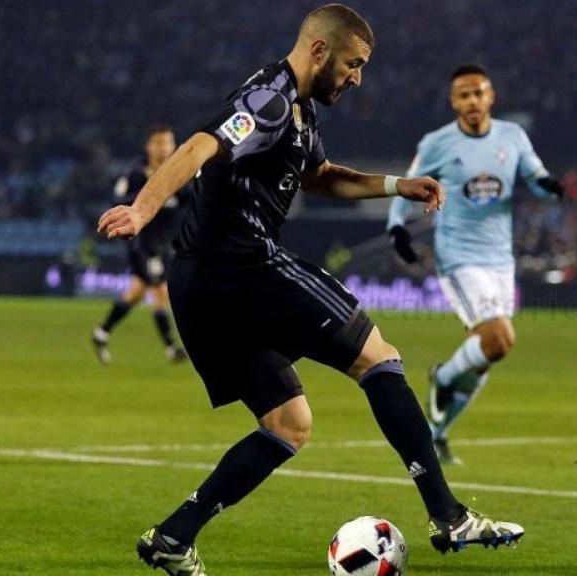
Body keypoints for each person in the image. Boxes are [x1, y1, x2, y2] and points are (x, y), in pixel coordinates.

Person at [97, 6, 523, 575]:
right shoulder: (270, 99)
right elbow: (200, 146)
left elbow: (321, 177)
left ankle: (174, 538)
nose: (357, 78)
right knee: (380, 358)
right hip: (242, 266)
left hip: (197, 284)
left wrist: (399, 185)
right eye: (354, 64)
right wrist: (144, 208)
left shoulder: (296, 110)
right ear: (320, 51)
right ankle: (449, 516)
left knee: (288, 423)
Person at [386, 63, 563, 464]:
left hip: (501, 259)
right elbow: (407, 185)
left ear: (491, 97)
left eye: (478, 93)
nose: (472, 101)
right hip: (459, 258)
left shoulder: (512, 136)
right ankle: (443, 376)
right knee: (499, 338)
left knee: (487, 355)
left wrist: (548, 186)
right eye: (464, 95)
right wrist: (397, 226)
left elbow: (535, 174)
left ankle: (438, 432)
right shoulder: (437, 143)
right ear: (453, 102)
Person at [91, 125, 188, 364]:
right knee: (160, 291)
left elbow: (191, 199)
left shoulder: (178, 171)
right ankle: (171, 348)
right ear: (149, 146)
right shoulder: (135, 172)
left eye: (168, 142)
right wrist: (143, 199)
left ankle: (102, 332)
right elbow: (117, 199)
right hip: (143, 244)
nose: (164, 148)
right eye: (158, 143)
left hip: (163, 243)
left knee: (135, 293)